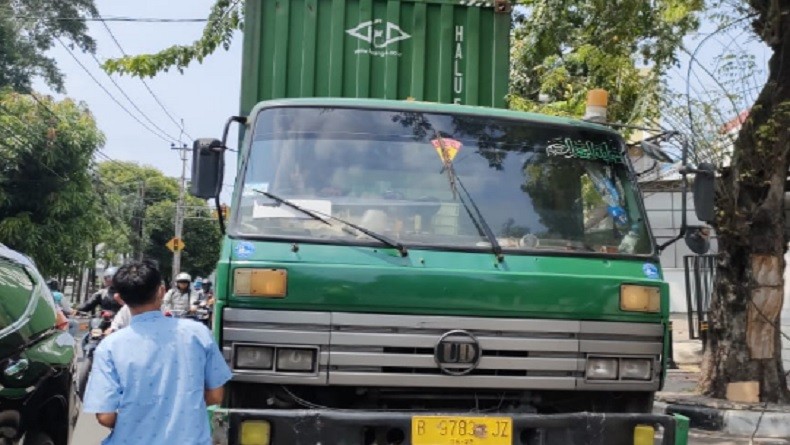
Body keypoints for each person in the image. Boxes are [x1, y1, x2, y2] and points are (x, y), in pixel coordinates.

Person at [83, 260, 232, 444]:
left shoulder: (109, 347)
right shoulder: (198, 333)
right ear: (161, 291)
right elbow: (216, 395)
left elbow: (105, 416)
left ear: (119, 298)